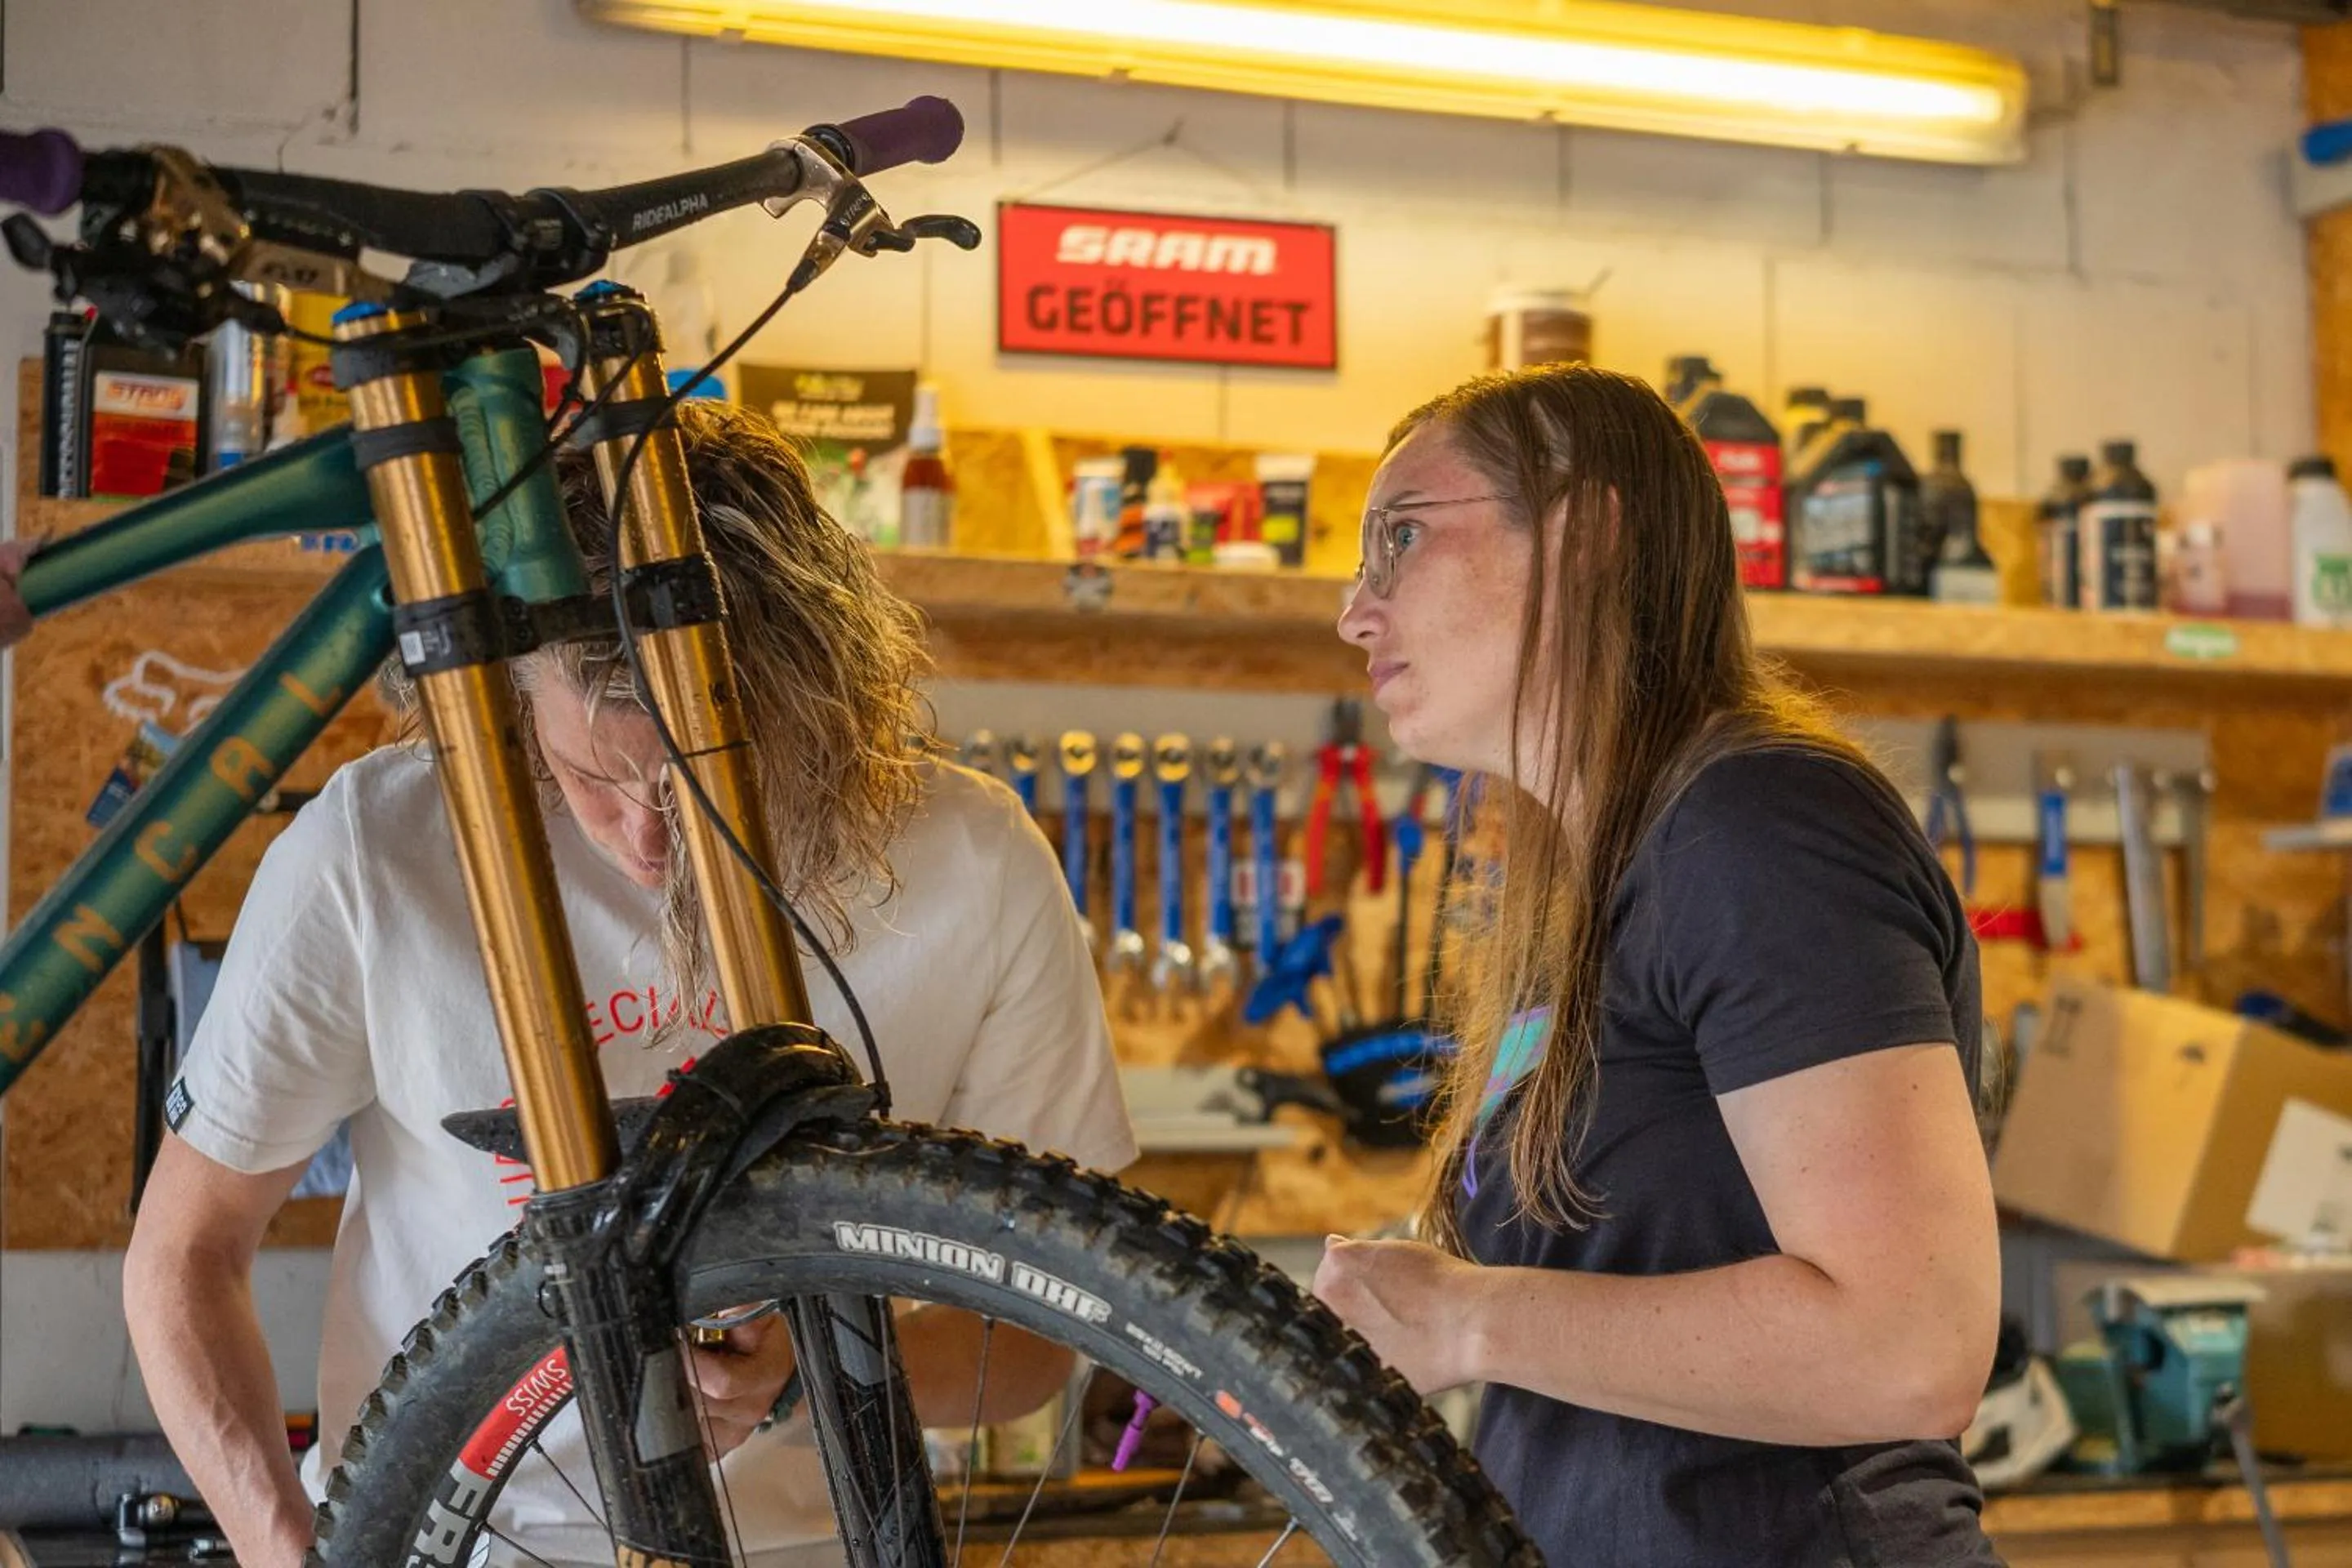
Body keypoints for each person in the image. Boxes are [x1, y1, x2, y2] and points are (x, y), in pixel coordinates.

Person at [122, 402, 1134, 1567]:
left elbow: (1044, 1336)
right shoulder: (382, 847)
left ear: (815, 707)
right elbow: (184, 1257)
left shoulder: (974, 862)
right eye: (592, 777)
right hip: (457, 1545)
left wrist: (813, 1369)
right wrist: (282, 1548)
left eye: (696, 779)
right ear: (517, 699)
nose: (648, 841)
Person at [1313, 363, 2002, 1566]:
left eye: (1401, 537)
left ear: (1583, 539)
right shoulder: (1591, 883)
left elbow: (1911, 1346)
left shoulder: (1759, 828)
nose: (1355, 612)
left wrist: (1471, 1321)